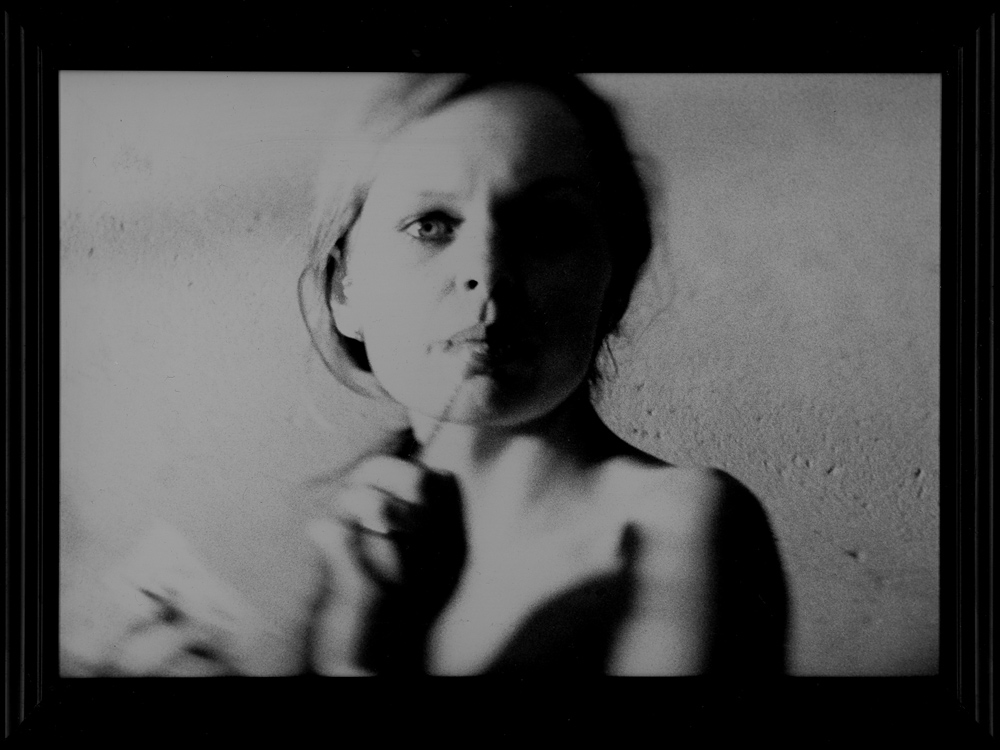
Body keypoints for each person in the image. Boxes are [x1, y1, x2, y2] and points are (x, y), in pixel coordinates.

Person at [299, 73, 787, 675]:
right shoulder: (360, 542)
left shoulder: (674, 526)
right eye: (430, 224)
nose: (487, 271)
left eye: (546, 226)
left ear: (616, 282)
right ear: (342, 290)